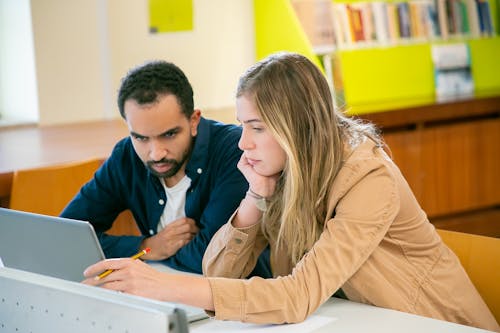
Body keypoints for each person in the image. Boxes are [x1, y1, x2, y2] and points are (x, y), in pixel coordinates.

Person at [82, 53, 499, 331]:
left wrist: (160, 285)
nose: (242, 143)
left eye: (257, 128)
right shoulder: (283, 171)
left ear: (298, 127)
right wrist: (255, 198)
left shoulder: (369, 178)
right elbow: (218, 276)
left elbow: (296, 295)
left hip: (435, 324)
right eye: (243, 125)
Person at [62, 60, 270, 277]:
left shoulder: (234, 150)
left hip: (236, 297)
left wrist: (155, 253)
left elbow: (213, 259)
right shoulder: (126, 155)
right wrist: (147, 247)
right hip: (164, 293)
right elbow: (68, 235)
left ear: (193, 120)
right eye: (141, 137)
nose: (156, 153)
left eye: (169, 134)